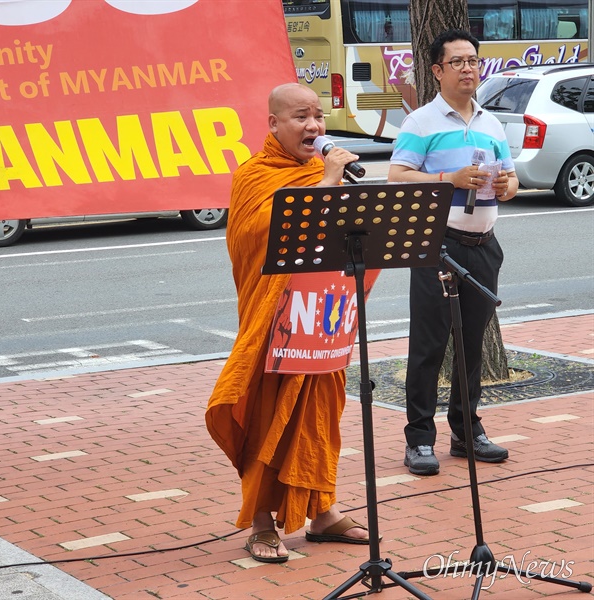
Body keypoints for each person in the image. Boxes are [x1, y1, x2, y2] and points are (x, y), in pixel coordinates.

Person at [206, 83, 371, 563]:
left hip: (319, 317)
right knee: (266, 413)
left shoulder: (325, 171)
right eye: (301, 117)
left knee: (319, 413)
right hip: (272, 322)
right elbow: (265, 236)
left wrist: (335, 183)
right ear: (273, 124)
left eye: (318, 116)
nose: (314, 127)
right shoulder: (254, 176)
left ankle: (322, 512)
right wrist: (327, 184)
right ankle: (260, 522)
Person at [388, 29, 519, 476]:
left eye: (473, 61)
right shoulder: (421, 122)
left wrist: (507, 186)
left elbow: (513, 181)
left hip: (484, 246)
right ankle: (420, 439)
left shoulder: (491, 122)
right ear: (438, 70)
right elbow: (397, 176)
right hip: (437, 246)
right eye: (458, 62)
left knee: (471, 345)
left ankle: (466, 431)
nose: (468, 68)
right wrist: (448, 180)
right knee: (428, 345)